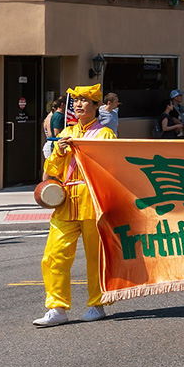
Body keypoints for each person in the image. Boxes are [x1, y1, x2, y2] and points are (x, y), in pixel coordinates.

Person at [34, 84, 116, 327]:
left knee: (96, 257)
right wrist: (59, 152)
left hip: (93, 200)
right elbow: (51, 169)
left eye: (84, 100)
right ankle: (56, 308)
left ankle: (97, 304)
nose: (79, 104)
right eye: (76, 100)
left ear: (96, 105)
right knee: (54, 255)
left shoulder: (105, 135)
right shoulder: (66, 132)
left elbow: (111, 169)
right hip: (67, 200)